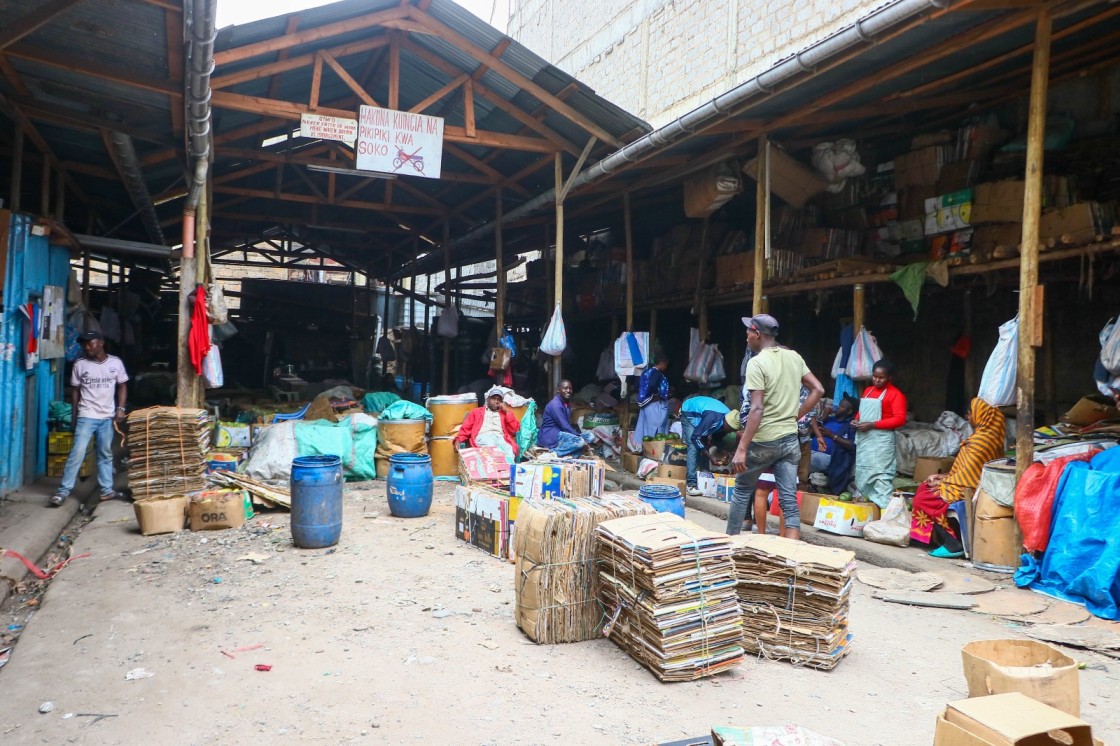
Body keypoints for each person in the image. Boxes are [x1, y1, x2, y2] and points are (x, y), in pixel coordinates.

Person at [726, 314, 824, 540]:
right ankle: (791, 559)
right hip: (790, 440)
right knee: (789, 500)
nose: (746, 337)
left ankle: (728, 547)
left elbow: (757, 409)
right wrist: (795, 416)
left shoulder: (756, 363)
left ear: (757, 334)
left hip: (763, 441)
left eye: (749, 332)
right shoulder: (794, 357)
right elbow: (818, 389)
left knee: (742, 491)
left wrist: (742, 447)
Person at [911, 397, 1006, 558]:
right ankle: (936, 538)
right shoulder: (993, 437)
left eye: (970, 413)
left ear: (981, 415)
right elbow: (966, 470)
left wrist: (943, 482)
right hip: (974, 483)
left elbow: (967, 477)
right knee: (926, 488)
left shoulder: (980, 442)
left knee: (924, 497)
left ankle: (952, 543)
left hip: (970, 488)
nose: (968, 417)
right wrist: (942, 477)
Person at [50, 330, 128, 507]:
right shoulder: (80, 364)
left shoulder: (115, 363)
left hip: (107, 417)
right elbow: (75, 392)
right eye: (84, 344)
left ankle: (107, 491)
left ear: (101, 343)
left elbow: (122, 386)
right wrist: (75, 417)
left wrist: (120, 409)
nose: (86, 347)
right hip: (86, 415)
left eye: (90, 343)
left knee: (105, 454)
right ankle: (63, 491)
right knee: (77, 453)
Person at [853, 359, 907, 510]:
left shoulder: (895, 395)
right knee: (864, 472)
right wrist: (856, 419)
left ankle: (883, 513)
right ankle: (868, 509)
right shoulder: (868, 390)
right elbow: (861, 411)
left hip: (882, 441)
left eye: (881, 377)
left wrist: (872, 425)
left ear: (890, 377)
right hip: (865, 439)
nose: (877, 380)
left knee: (881, 475)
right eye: (875, 376)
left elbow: (900, 419)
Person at [678, 394, 732, 495]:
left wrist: (724, 451)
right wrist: (710, 457)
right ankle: (691, 485)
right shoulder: (712, 418)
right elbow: (695, 437)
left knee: (703, 445)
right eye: (731, 429)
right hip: (688, 411)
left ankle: (704, 477)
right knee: (693, 447)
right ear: (727, 423)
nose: (730, 432)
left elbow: (717, 438)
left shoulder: (727, 418)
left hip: (702, 415)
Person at [454, 387, 521, 463]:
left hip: (501, 438)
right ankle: (496, 472)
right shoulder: (477, 412)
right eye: (493, 399)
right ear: (488, 400)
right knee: (492, 448)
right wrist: (458, 440)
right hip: (484, 436)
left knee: (509, 449)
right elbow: (466, 428)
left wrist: (507, 412)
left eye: (499, 400)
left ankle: (507, 472)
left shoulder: (504, 414)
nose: (496, 401)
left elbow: (515, 430)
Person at [810, 395, 859, 495]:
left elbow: (853, 445)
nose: (837, 407)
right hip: (810, 454)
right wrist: (824, 416)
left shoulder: (850, 425)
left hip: (830, 459)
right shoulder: (829, 419)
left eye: (841, 406)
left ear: (849, 411)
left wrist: (831, 435)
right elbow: (810, 433)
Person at [538, 379, 587, 454]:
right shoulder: (555, 405)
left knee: (589, 436)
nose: (568, 390)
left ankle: (567, 456)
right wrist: (579, 436)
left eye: (570, 388)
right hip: (550, 436)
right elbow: (565, 425)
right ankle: (553, 453)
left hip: (560, 434)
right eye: (565, 388)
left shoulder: (565, 403)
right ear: (558, 390)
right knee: (580, 441)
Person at [632, 355, 670, 449]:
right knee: (656, 428)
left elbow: (637, 385)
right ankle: (654, 450)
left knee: (646, 428)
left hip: (646, 404)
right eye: (666, 365)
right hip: (655, 404)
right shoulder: (656, 373)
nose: (666, 367)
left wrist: (645, 395)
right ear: (661, 363)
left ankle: (644, 449)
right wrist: (656, 394)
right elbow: (652, 385)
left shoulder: (646, 372)